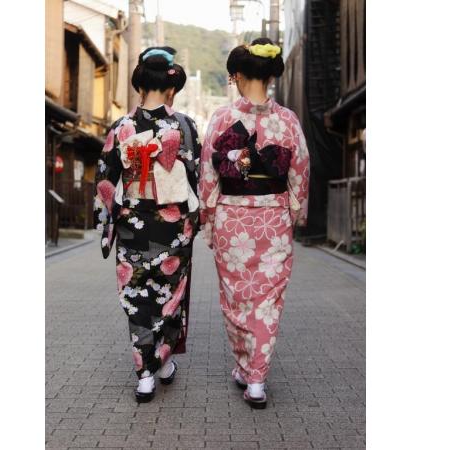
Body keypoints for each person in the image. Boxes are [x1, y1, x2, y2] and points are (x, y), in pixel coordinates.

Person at [198, 37, 310, 409]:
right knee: (267, 300)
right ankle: (257, 379)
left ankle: (246, 368)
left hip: (232, 215)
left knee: (236, 298)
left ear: (237, 76)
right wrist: (295, 215)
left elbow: (207, 177)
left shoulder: (221, 119)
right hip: (274, 219)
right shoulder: (288, 121)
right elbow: (301, 174)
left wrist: (208, 219)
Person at [93, 46, 201, 403]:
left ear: (140, 85)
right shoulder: (185, 127)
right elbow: (196, 178)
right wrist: (194, 221)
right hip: (174, 226)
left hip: (133, 224)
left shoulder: (122, 127)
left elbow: (105, 181)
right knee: (170, 294)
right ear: (171, 88)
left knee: (138, 296)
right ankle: (163, 361)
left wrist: (105, 224)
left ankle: (145, 374)